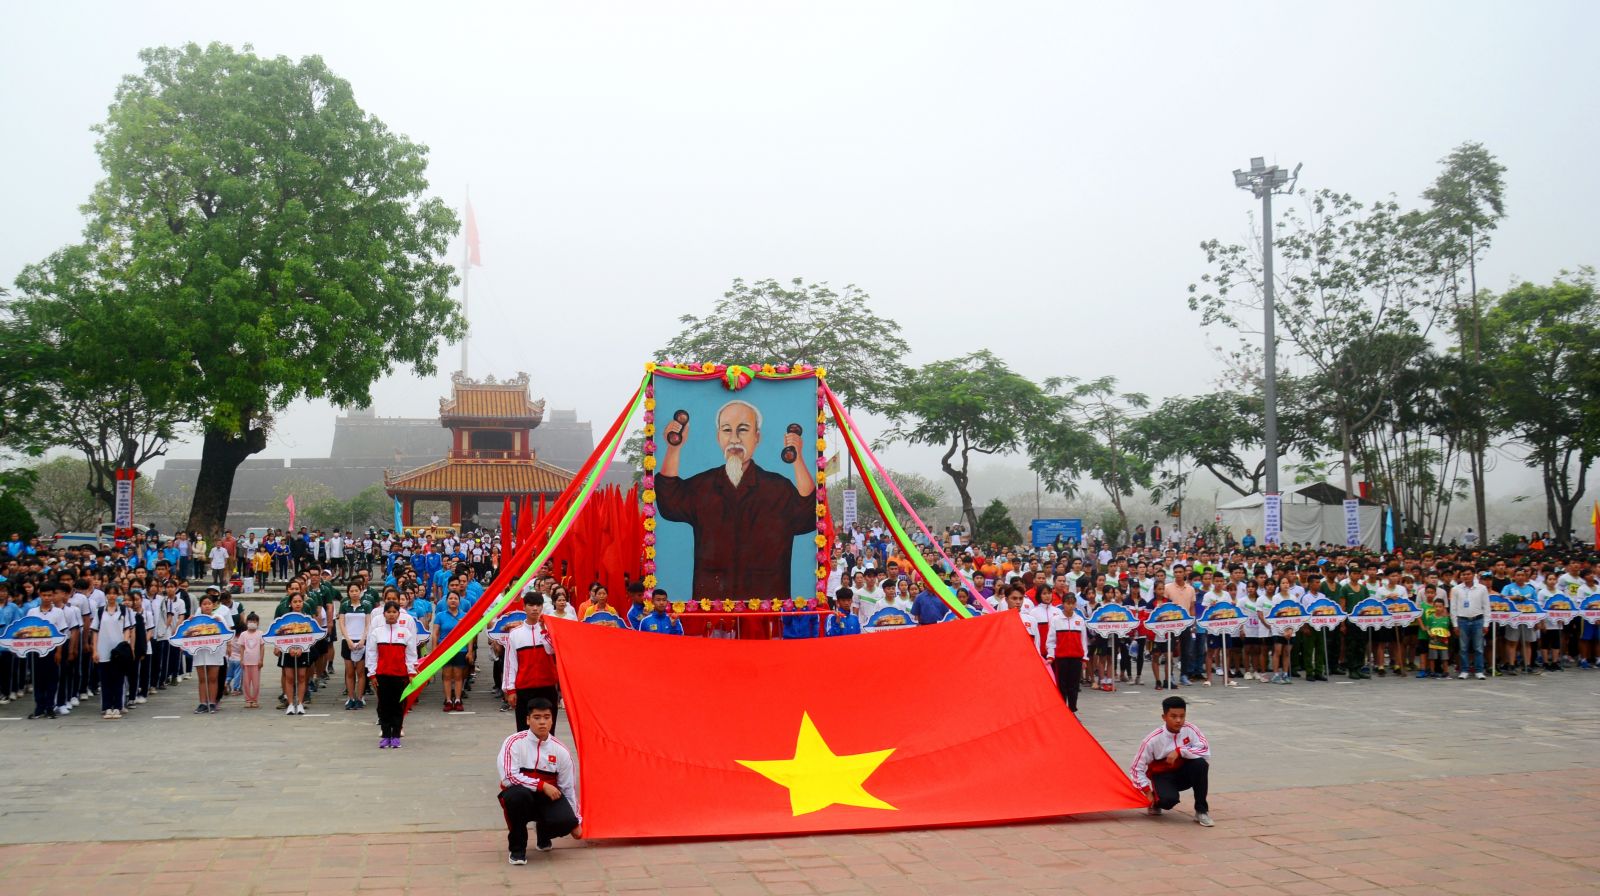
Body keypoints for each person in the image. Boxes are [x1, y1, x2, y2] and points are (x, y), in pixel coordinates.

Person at [655, 398, 817, 601]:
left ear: (757, 436)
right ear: (717, 437)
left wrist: (798, 458)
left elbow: (809, 511)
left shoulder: (778, 488)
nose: (734, 439)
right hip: (713, 605)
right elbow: (670, 500)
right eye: (726, 430)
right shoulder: (703, 486)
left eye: (742, 429)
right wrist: (673, 448)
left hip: (766, 605)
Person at [496, 697, 581, 864]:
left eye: (547, 717)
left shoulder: (561, 751)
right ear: (528, 720)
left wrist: (574, 821)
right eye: (537, 717)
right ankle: (518, 850)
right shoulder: (513, 743)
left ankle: (544, 832)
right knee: (516, 797)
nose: (542, 722)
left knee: (565, 821)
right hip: (521, 796)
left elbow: (568, 788)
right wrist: (541, 785)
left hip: (547, 799)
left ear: (552, 720)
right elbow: (508, 777)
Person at [1129, 695, 1214, 827]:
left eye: (1182, 716)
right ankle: (1157, 801)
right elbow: (1136, 768)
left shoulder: (1191, 730)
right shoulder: (1152, 740)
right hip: (1163, 776)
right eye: (1173, 716)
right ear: (1164, 717)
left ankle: (1201, 810)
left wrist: (1180, 751)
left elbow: (1204, 749)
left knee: (1200, 764)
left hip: (1184, 773)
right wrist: (1146, 791)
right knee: (1168, 801)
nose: (1178, 720)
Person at [366, 599, 419, 748]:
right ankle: (385, 734)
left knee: (398, 706)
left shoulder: (405, 632)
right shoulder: (377, 632)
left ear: (398, 614)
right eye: (388, 612)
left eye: (394, 612)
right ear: (384, 614)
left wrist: (411, 672)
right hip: (382, 675)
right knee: (384, 706)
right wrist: (372, 674)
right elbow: (371, 653)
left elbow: (411, 655)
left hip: (400, 675)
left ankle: (395, 735)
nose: (391, 615)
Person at [503, 593, 558, 731]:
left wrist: (545, 630)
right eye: (531, 605)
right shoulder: (515, 633)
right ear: (524, 607)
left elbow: (552, 650)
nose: (535, 609)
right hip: (524, 689)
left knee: (548, 731)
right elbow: (510, 663)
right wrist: (510, 690)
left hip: (548, 686)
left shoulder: (550, 629)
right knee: (523, 730)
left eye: (538, 605)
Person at [91, 584, 135, 720]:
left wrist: (125, 644)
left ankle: (117, 706)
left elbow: (128, 629)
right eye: (109, 593)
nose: (111, 596)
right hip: (103, 649)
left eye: (114, 593)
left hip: (119, 652)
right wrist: (94, 650)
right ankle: (106, 706)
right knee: (105, 680)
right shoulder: (100, 611)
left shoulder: (123, 610)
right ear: (106, 595)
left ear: (118, 595)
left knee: (118, 679)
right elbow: (95, 631)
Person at [1045, 594, 1087, 712]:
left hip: (1076, 658)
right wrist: (1051, 656)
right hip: (1061, 658)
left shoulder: (1079, 620)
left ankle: (1072, 709)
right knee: (1062, 685)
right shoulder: (1056, 620)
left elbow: (1083, 640)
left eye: (1072, 603)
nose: (1070, 606)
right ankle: (1063, 711)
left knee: (1074, 686)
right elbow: (1051, 640)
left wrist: (1084, 658)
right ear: (1063, 604)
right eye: (1068, 603)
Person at [275, 590, 314, 715]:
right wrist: (285, 647)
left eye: (300, 601)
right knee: (290, 677)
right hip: (287, 651)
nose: (297, 604)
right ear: (290, 603)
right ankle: (291, 704)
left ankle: (301, 703)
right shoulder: (285, 618)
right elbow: (277, 634)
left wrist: (301, 648)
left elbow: (312, 636)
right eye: (295, 602)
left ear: (303, 603)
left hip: (303, 650)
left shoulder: (307, 618)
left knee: (302, 676)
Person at [433, 590, 470, 712]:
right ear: (446, 601)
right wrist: (435, 650)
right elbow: (435, 634)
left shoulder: (465, 616)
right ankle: (448, 700)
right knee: (447, 675)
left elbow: (469, 635)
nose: (453, 600)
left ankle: (458, 699)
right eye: (450, 598)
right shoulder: (440, 616)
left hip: (460, 649)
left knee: (459, 675)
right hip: (445, 649)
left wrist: (470, 651)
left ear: (460, 601)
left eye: (456, 598)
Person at [337, 583, 372, 711]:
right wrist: (348, 640)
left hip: (362, 640)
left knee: (361, 671)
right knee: (350, 671)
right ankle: (351, 698)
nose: (354, 593)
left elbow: (368, 624)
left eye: (356, 590)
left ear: (361, 591)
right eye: (351, 590)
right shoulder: (344, 606)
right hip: (347, 641)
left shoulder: (366, 606)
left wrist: (363, 639)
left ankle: (359, 697)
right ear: (348, 592)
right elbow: (342, 624)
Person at [1449, 567, 1488, 680]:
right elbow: (1453, 608)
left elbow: (1486, 607)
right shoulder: (1456, 589)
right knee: (1463, 647)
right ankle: (1464, 670)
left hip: (1478, 620)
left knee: (1478, 647)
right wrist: (1455, 624)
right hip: (1462, 620)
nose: (1466, 576)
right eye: (1464, 574)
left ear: (1473, 575)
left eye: (1468, 574)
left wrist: (1486, 623)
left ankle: (1479, 670)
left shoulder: (1482, 588)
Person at [235, 612, 265, 707]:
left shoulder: (260, 634)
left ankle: (255, 700)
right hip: (246, 662)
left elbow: (262, 647)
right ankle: (248, 700)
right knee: (246, 683)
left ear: (257, 623)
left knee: (256, 683)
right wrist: (241, 659)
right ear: (247, 622)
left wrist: (261, 660)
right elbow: (242, 647)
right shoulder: (243, 634)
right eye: (250, 621)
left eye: (254, 621)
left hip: (256, 663)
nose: (252, 623)